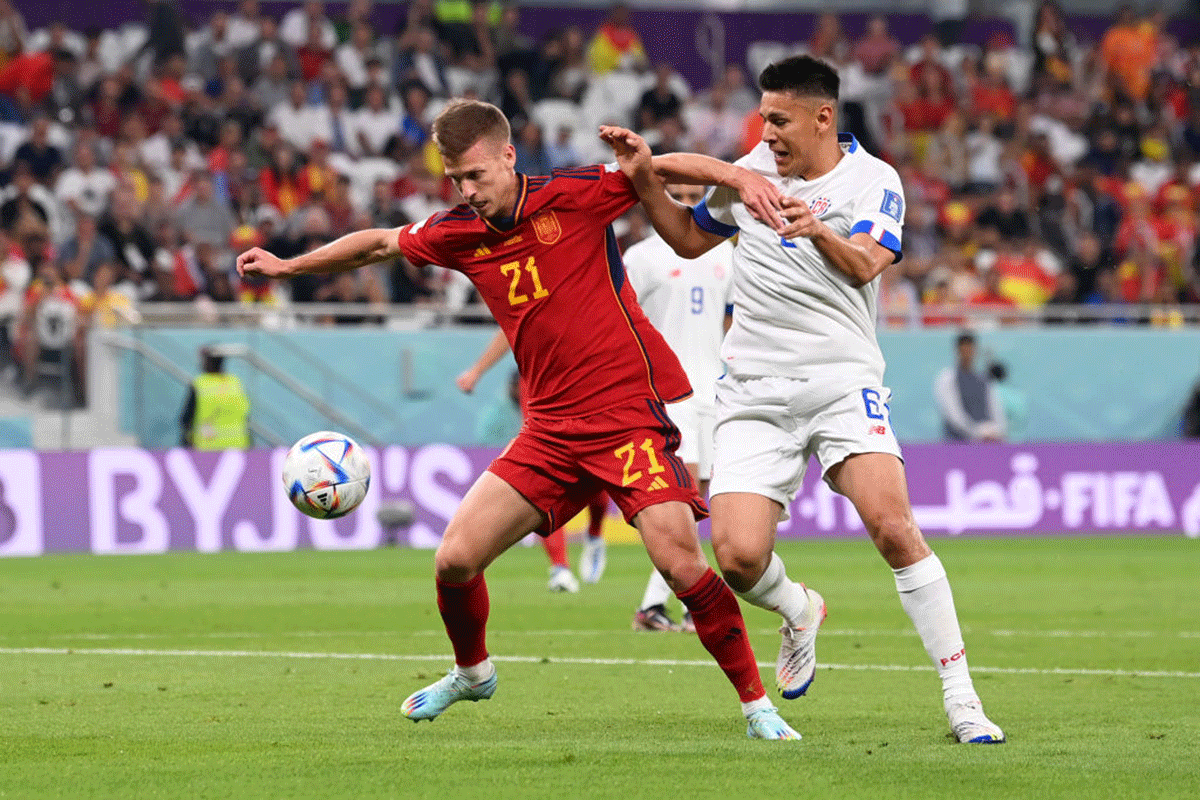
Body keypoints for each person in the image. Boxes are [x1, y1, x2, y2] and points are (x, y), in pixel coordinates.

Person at [238, 99, 801, 740]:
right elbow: (378, 243)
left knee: (680, 564)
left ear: (508, 155)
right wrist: (288, 266)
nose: (468, 191)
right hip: (550, 432)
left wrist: (741, 177)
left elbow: (658, 163)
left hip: (625, 419)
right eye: (456, 180)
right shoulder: (459, 233)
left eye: (476, 175)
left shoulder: (573, 194)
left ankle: (758, 706)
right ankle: (473, 672)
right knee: (454, 560)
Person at [599, 54, 1005, 743]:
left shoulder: (874, 180)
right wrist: (645, 179)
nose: (768, 132)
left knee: (893, 527)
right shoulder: (752, 171)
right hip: (754, 390)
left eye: (780, 119)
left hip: (841, 380)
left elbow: (869, 262)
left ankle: (962, 699)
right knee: (737, 557)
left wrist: (817, 231)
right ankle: (798, 608)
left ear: (824, 117)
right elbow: (690, 238)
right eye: (763, 118)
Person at [624, 182, 734, 633]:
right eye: (678, 193)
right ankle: (668, 604)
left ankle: (662, 606)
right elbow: (620, 320)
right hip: (668, 393)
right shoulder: (642, 257)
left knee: (698, 500)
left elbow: (731, 319)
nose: (687, 202)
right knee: (682, 497)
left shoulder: (726, 254)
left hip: (714, 390)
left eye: (695, 194)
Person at [468, 365, 581, 594]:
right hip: (546, 443)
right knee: (541, 500)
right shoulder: (528, 374)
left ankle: (594, 535)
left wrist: (475, 373)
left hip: (577, 427)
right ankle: (560, 567)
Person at [934, 332, 1007, 442]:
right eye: (964, 349)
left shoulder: (985, 380)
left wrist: (995, 431)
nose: (967, 353)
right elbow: (953, 414)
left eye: (970, 349)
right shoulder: (948, 378)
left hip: (987, 443)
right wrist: (977, 432)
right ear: (958, 350)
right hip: (958, 443)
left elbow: (996, 410)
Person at [179, 346, 251, 450]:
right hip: (237, 448)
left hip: (206, 448)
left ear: (208, 362)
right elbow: (246, 416)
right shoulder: (235, 383)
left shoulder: (200, 384)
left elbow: (185, 420)